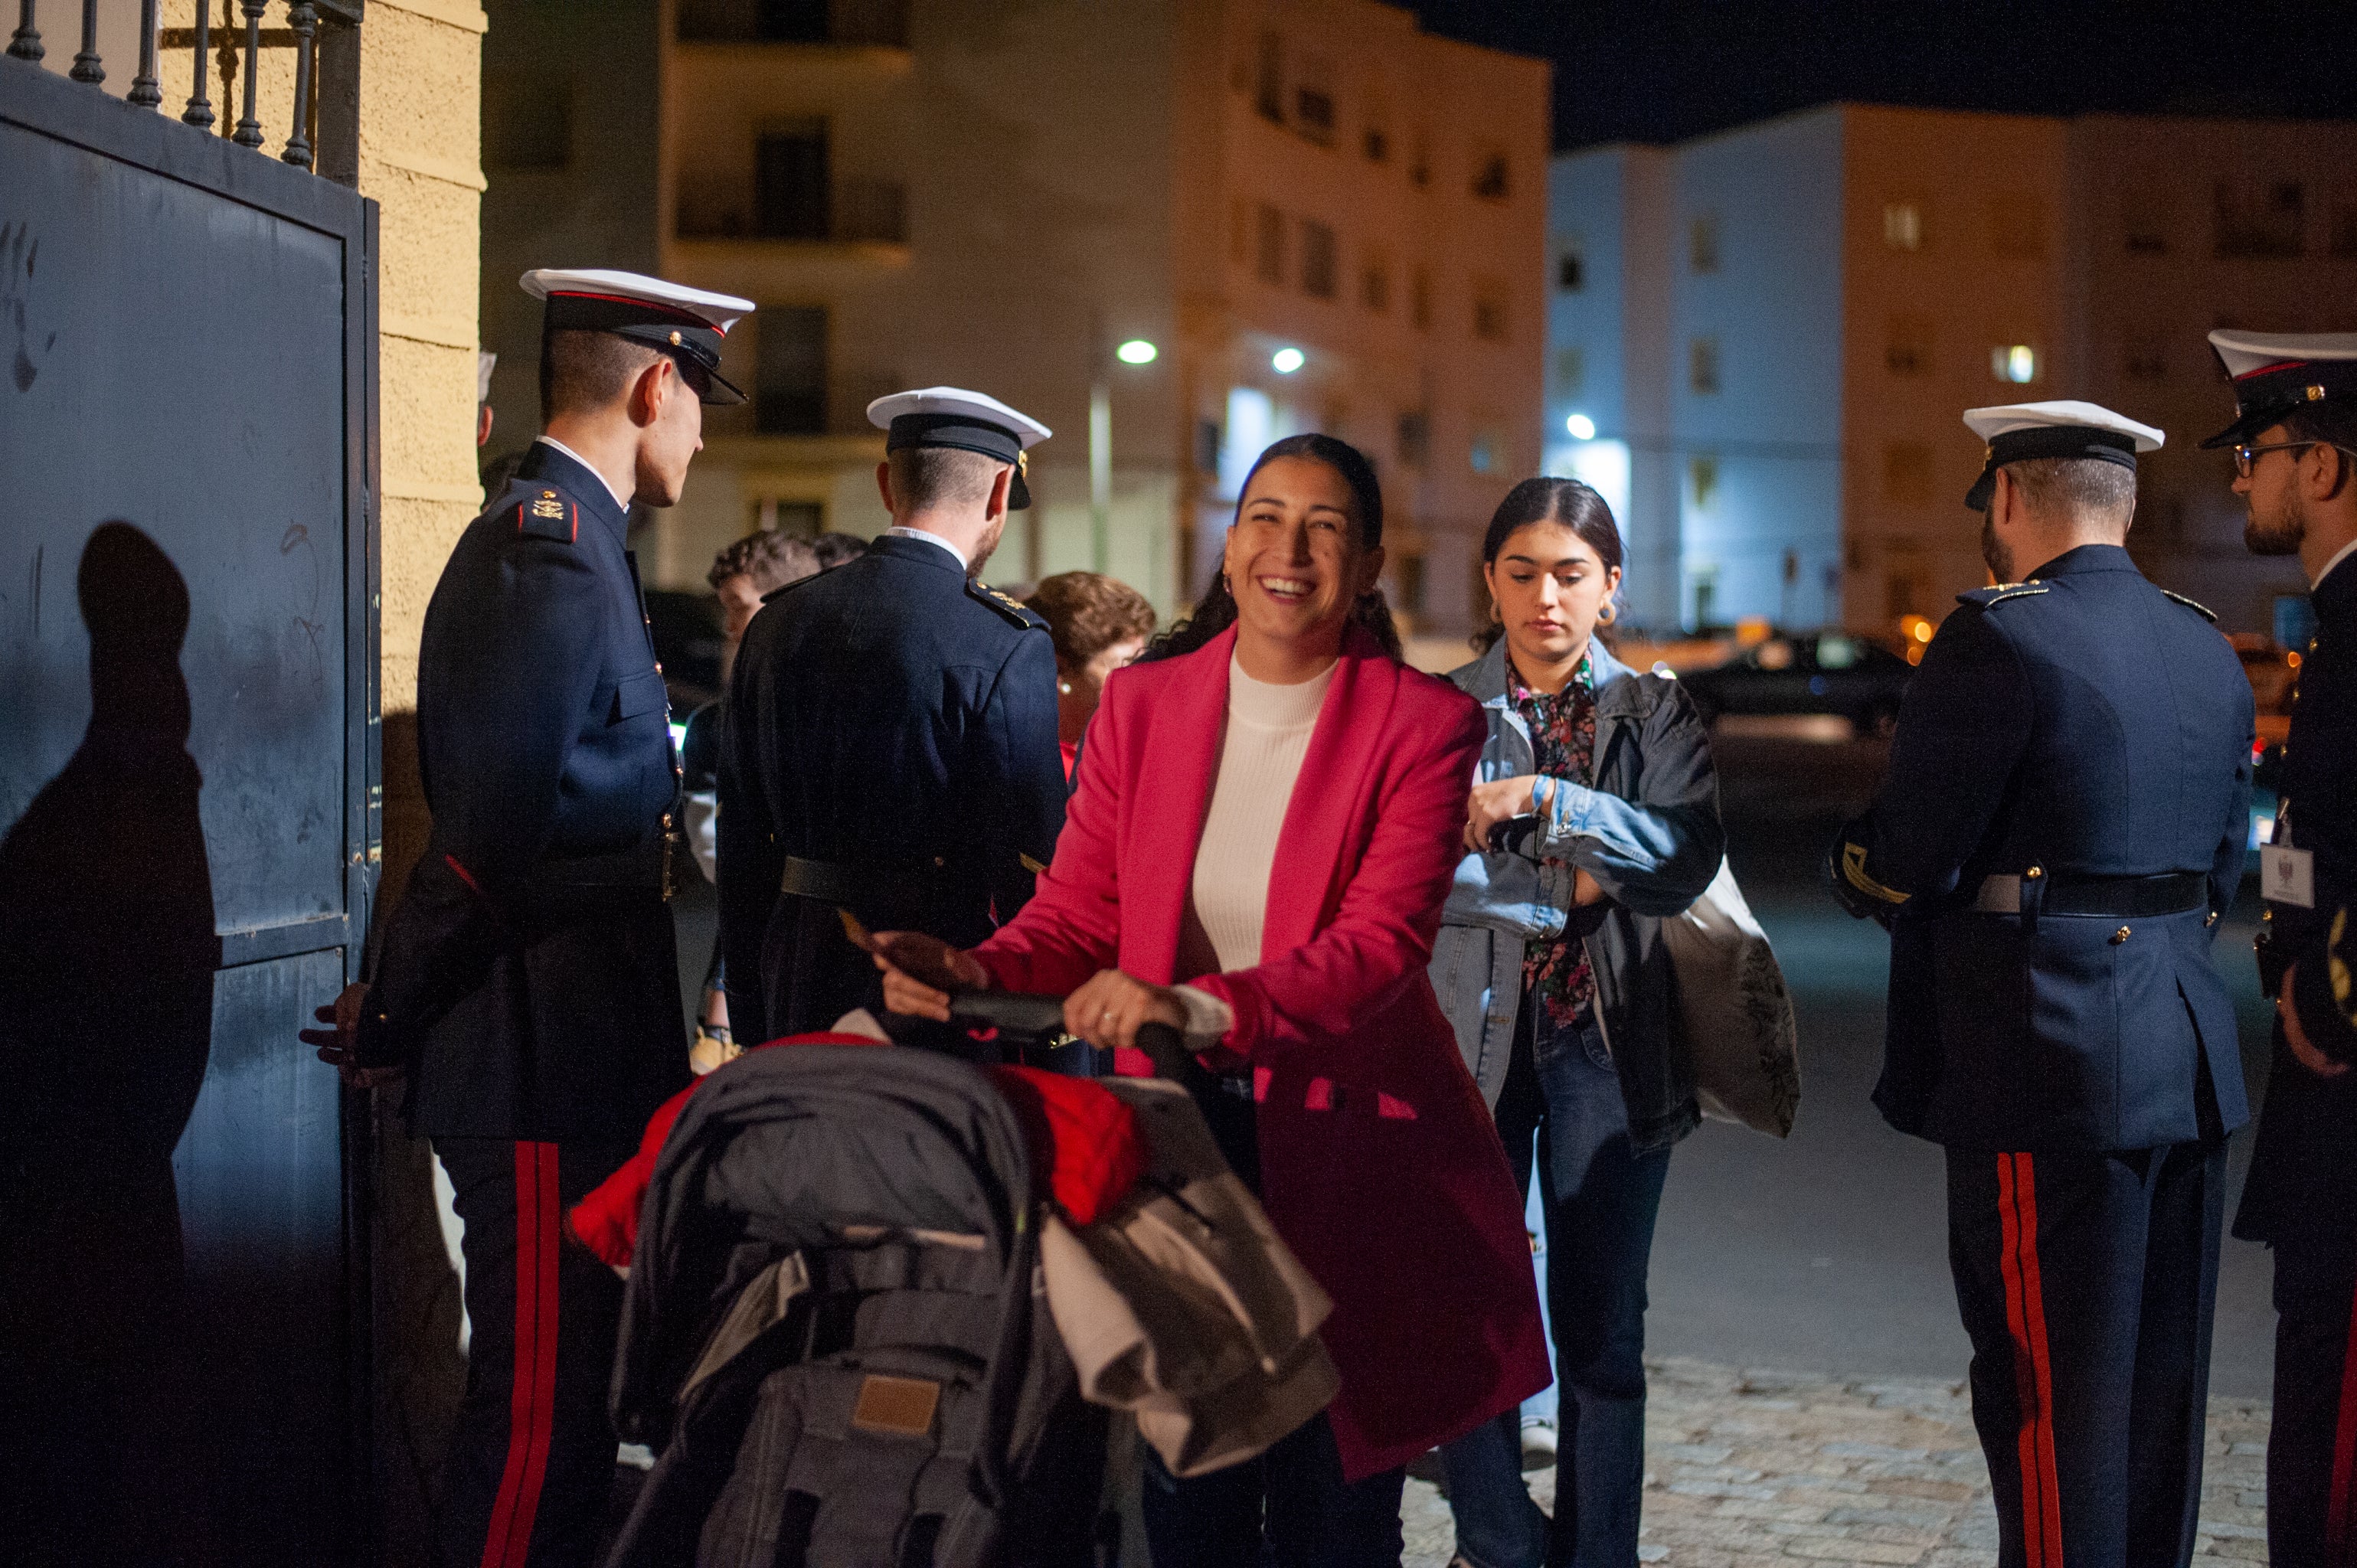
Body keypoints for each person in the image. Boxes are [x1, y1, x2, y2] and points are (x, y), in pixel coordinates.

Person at [871, 433, 1549, 1567]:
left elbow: (1377, 950)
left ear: (1370, 562)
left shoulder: (1422, 726)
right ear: (1229, 547)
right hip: (1180, 1149)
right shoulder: (1143, 706)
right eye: (1264, 518)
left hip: (1350, 1153)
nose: (1289, 549)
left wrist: (1195, 1009)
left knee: (1336, 1511)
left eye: (1325, 526)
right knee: (1193, 1501)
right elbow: (1080, 915)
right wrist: (976, 969)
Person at [304, 266, 750, 1567]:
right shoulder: (546, 549)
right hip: (539, 1054)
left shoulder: (579, 543)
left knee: (564, 1411)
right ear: (657, 384)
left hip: (573, 1052)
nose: (703, 433)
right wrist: (395, 1007)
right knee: (537, 1421)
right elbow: (489, 841)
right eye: (698, 402)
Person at [1828, 400, 2253, 1568]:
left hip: (2044, 1058)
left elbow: (1911, 856)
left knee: (2042, 1394)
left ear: (2008, 499)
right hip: (2182, 1053)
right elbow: (2228, 860)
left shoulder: (1998, 637)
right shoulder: (2203, 641)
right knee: (2155, 1395)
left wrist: (1854, 867)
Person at [1432, 477, 1724, 1568]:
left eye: (1569, 575)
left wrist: (1543, 804)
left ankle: (1600, 1555)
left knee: (1604, 1326)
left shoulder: (1654, 713)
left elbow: (1682, 859)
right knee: (1470, 1311)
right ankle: (1498, 1542)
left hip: (1609, 1043)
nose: (1543, 597)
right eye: (1521, 573)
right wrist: (1575, 885)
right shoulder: (1440, 708)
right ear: (1491, 581)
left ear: (1610, 587)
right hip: (1473, 1033)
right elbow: (1425, 880)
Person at [716, 387, 1067, 1047]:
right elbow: (1030, 856)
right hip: (934, 979)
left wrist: (750, 1001)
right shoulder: (1004, 639)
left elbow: (742, 839)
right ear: (999, 494)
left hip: (793, 965)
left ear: (886, 484)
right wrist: (1045, 1031)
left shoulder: (777, 622)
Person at [2208, 332, 2357, 1568]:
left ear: (2319, 465)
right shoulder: (2334, 622)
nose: (2239, 482)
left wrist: (2332, 989)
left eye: (2256, 455)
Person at [682, 530, 821, 1071]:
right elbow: (709, 843)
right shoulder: (717, 724)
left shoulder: (828, 714)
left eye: (740, 608)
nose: (730, 627)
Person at [1025, 569, 1156, 782]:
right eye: (1125, 666)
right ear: (1057, 670)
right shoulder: (1034, 772)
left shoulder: (1128, 756)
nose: (1141, 680)